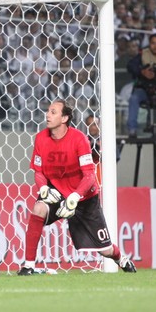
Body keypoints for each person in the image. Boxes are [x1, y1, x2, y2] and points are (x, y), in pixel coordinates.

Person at [17, 100, 136, 275]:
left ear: (64, 118)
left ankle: (121, 258)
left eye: (53, 112)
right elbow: (39, 171)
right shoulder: (41, 138)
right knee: (39, 208)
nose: (47, 115)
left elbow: (89, 175)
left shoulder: (79, 139)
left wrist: (75, 197)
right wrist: (43, 189)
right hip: (57, 194)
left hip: (84, 198)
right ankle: (28, 265)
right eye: (48, 111)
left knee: (105, 250)